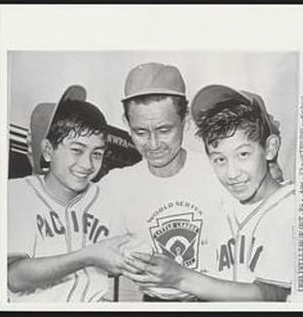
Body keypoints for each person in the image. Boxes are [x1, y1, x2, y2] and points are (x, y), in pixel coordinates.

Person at [122, 84, 295, 302]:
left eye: (243, 154)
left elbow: (274, 295)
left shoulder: (290, 209)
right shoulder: (228, 202)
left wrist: (181, 278)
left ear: (270, 149)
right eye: (219, 159)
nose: (232, 173)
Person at [98, 63, 232, 301]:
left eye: (164, 129)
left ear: (186, 120)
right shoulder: (116, 185)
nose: (153, 144)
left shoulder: (218, 172)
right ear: (126, 123)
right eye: (140, 131)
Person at [7, 86, 135, 302]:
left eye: (97, 154)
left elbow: (113, 269)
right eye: (77, 150)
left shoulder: (108, 201)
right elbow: (14, 277)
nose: (87, 164)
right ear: (48, 150)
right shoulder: (16, 194)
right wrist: (88, 256)